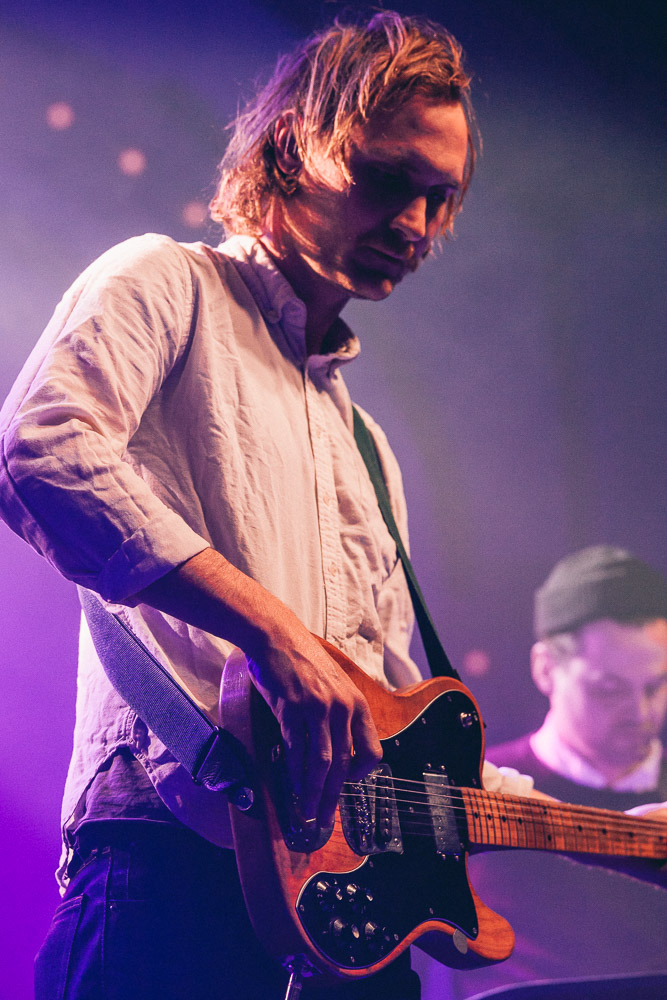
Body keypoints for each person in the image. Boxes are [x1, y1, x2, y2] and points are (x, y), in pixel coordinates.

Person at [0, 11, 535, 1000]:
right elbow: (42, 451)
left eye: (438, 199)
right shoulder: (165, 280)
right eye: (385, 179)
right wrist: (275, 636)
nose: (414, 227)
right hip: (168, 872)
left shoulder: (367, 448)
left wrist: (620, 838)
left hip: (342, 937)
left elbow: (398, 727)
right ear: (289, 149)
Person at [432, 545, 667, 997]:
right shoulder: (474, 788)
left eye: (656, 686)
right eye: (609, 689)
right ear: (545, 668)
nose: (641, 712)